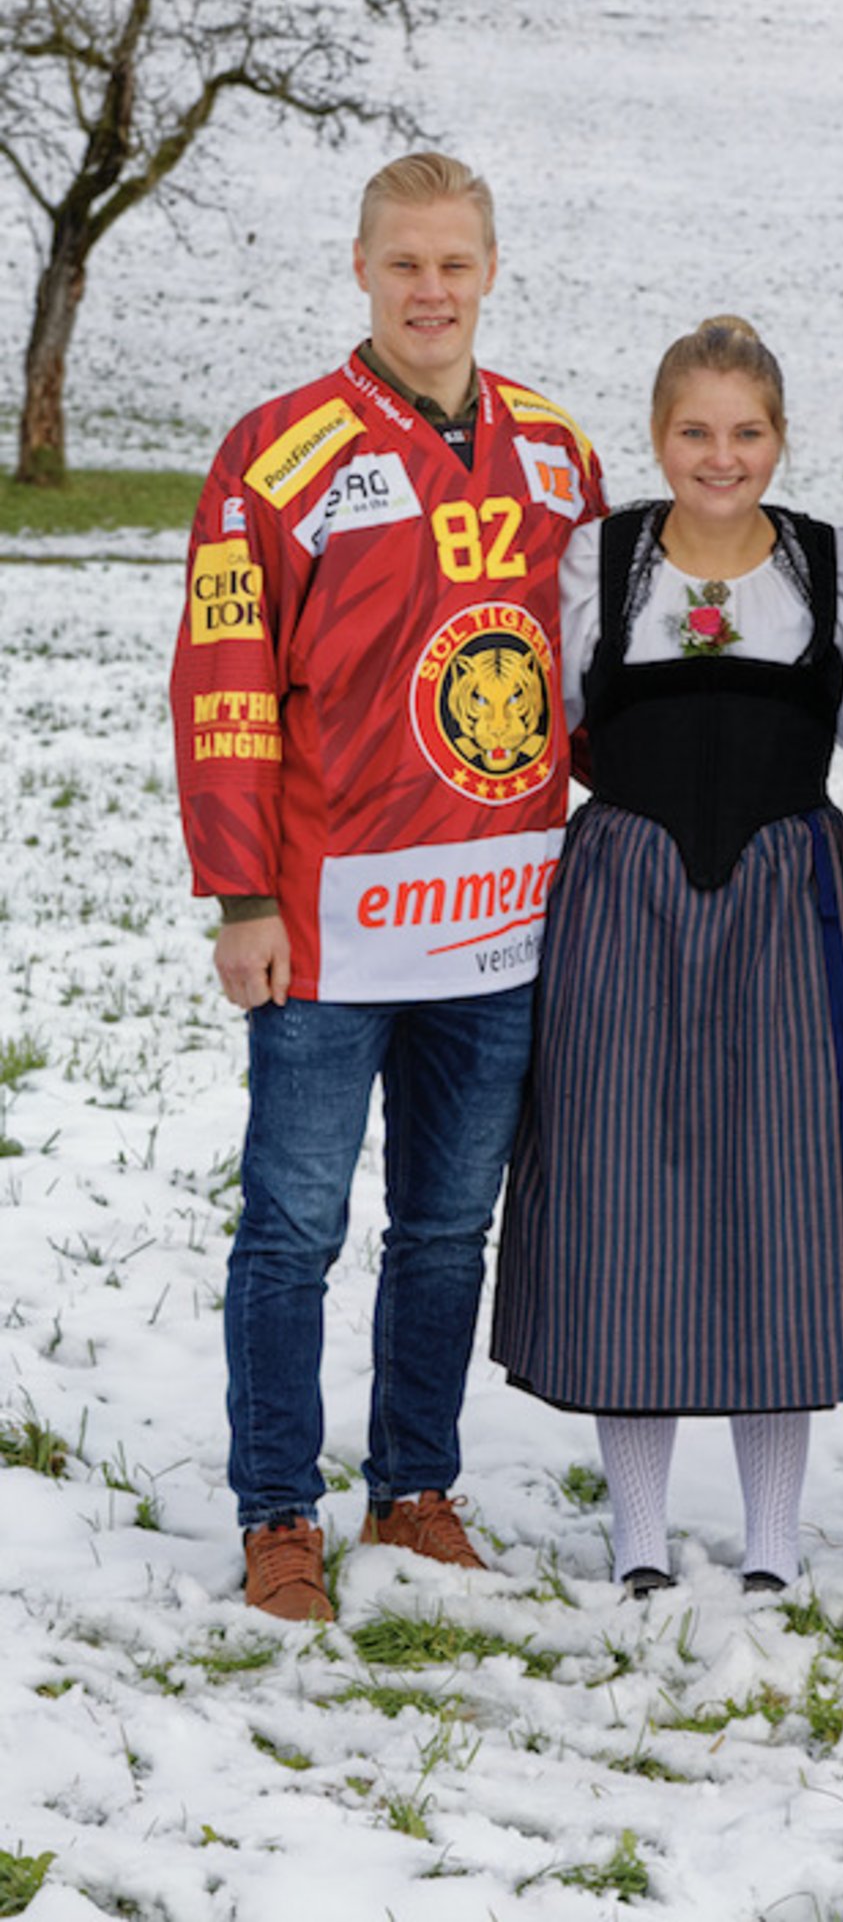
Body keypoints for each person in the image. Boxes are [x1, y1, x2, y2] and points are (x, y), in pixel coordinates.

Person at [171, 151, 605, 1622]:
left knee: (444, 1228)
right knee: (293, 1227)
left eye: (456, 264)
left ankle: (414, 1488)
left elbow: (595, 675)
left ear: (492, 270)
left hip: (498, 922)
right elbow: (224, 681)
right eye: (404, 263)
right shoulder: (275, 456)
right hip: (330, 922)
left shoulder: (556, 450)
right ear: (359, 266)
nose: (431, 290)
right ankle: (277, 1511)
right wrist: (242, 897)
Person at [491, 317, 843, 1596]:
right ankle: (640, 1532)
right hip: (625, 893)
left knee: (785, 1189)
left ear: (779, 438)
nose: (722, 456)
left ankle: (775, 1537)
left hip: (786, 891)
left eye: (747, 431)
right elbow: (538, 724)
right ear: (656, 438)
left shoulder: (833, 570)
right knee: (624, 1191)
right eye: (695, 432)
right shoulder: (597, 564)